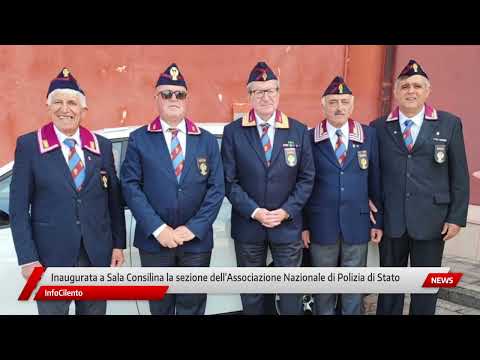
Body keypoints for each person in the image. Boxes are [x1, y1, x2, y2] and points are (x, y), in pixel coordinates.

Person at [10, 67, 126, 315]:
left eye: (72, 103)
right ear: (48, 106)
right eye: (58, 102)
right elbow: (18, 207)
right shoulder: (30, 146)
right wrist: (28, 258)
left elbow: (113, 201)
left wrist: (118, 244)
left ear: (83, 110)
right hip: (50, 257)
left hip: (95, 254)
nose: (65, 109)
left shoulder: (101, 147)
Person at [120, 63, 224, 315]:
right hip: (154, 242)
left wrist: (193, 228)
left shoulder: (207, 140)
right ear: (156, 98)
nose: (174, 99)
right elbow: (130, 187)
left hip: (196, 243)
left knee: (193, 306)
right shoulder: (139, 139)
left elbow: (216, 188)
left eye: (180, 94)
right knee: (160, 307)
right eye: (167, 94)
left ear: (187, 99)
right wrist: (159, 229)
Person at [370, 59, 469, 315]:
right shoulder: (379, 127)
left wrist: (456, 217)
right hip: (392, 219)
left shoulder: (449, 123)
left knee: (427, 284)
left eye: (417, 86)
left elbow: (459, 174)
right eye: (405, 86)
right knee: (390, 284)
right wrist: (375, 217)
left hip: (432, 220)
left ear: (427, 91)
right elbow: (373, 175)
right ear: (396, 92)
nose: (411, 91)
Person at [221, 61, 315, 315]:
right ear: (249, 95)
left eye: (270, 90)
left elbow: (307, 178)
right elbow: (228, 181)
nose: (265, 96)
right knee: (252, 295)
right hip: (249, 226)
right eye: (258, 91)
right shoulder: (233, 132)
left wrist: (286, 211)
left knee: (289, 294)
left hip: (287, 226)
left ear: (278, 93)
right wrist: (255, 211)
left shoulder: (298, 130)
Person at [302, 76, 383, 315]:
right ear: (323, 105)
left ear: (352, 104)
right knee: (324, 287)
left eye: (344, 101)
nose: (339, 107)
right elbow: (304, 185)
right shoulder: (309, 138)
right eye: (333, 101)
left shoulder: (368, 136)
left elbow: (375, 179)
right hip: (321, 224)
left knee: (352, 287)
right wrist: (304, 225)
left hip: (357, 223)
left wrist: (378, 220)